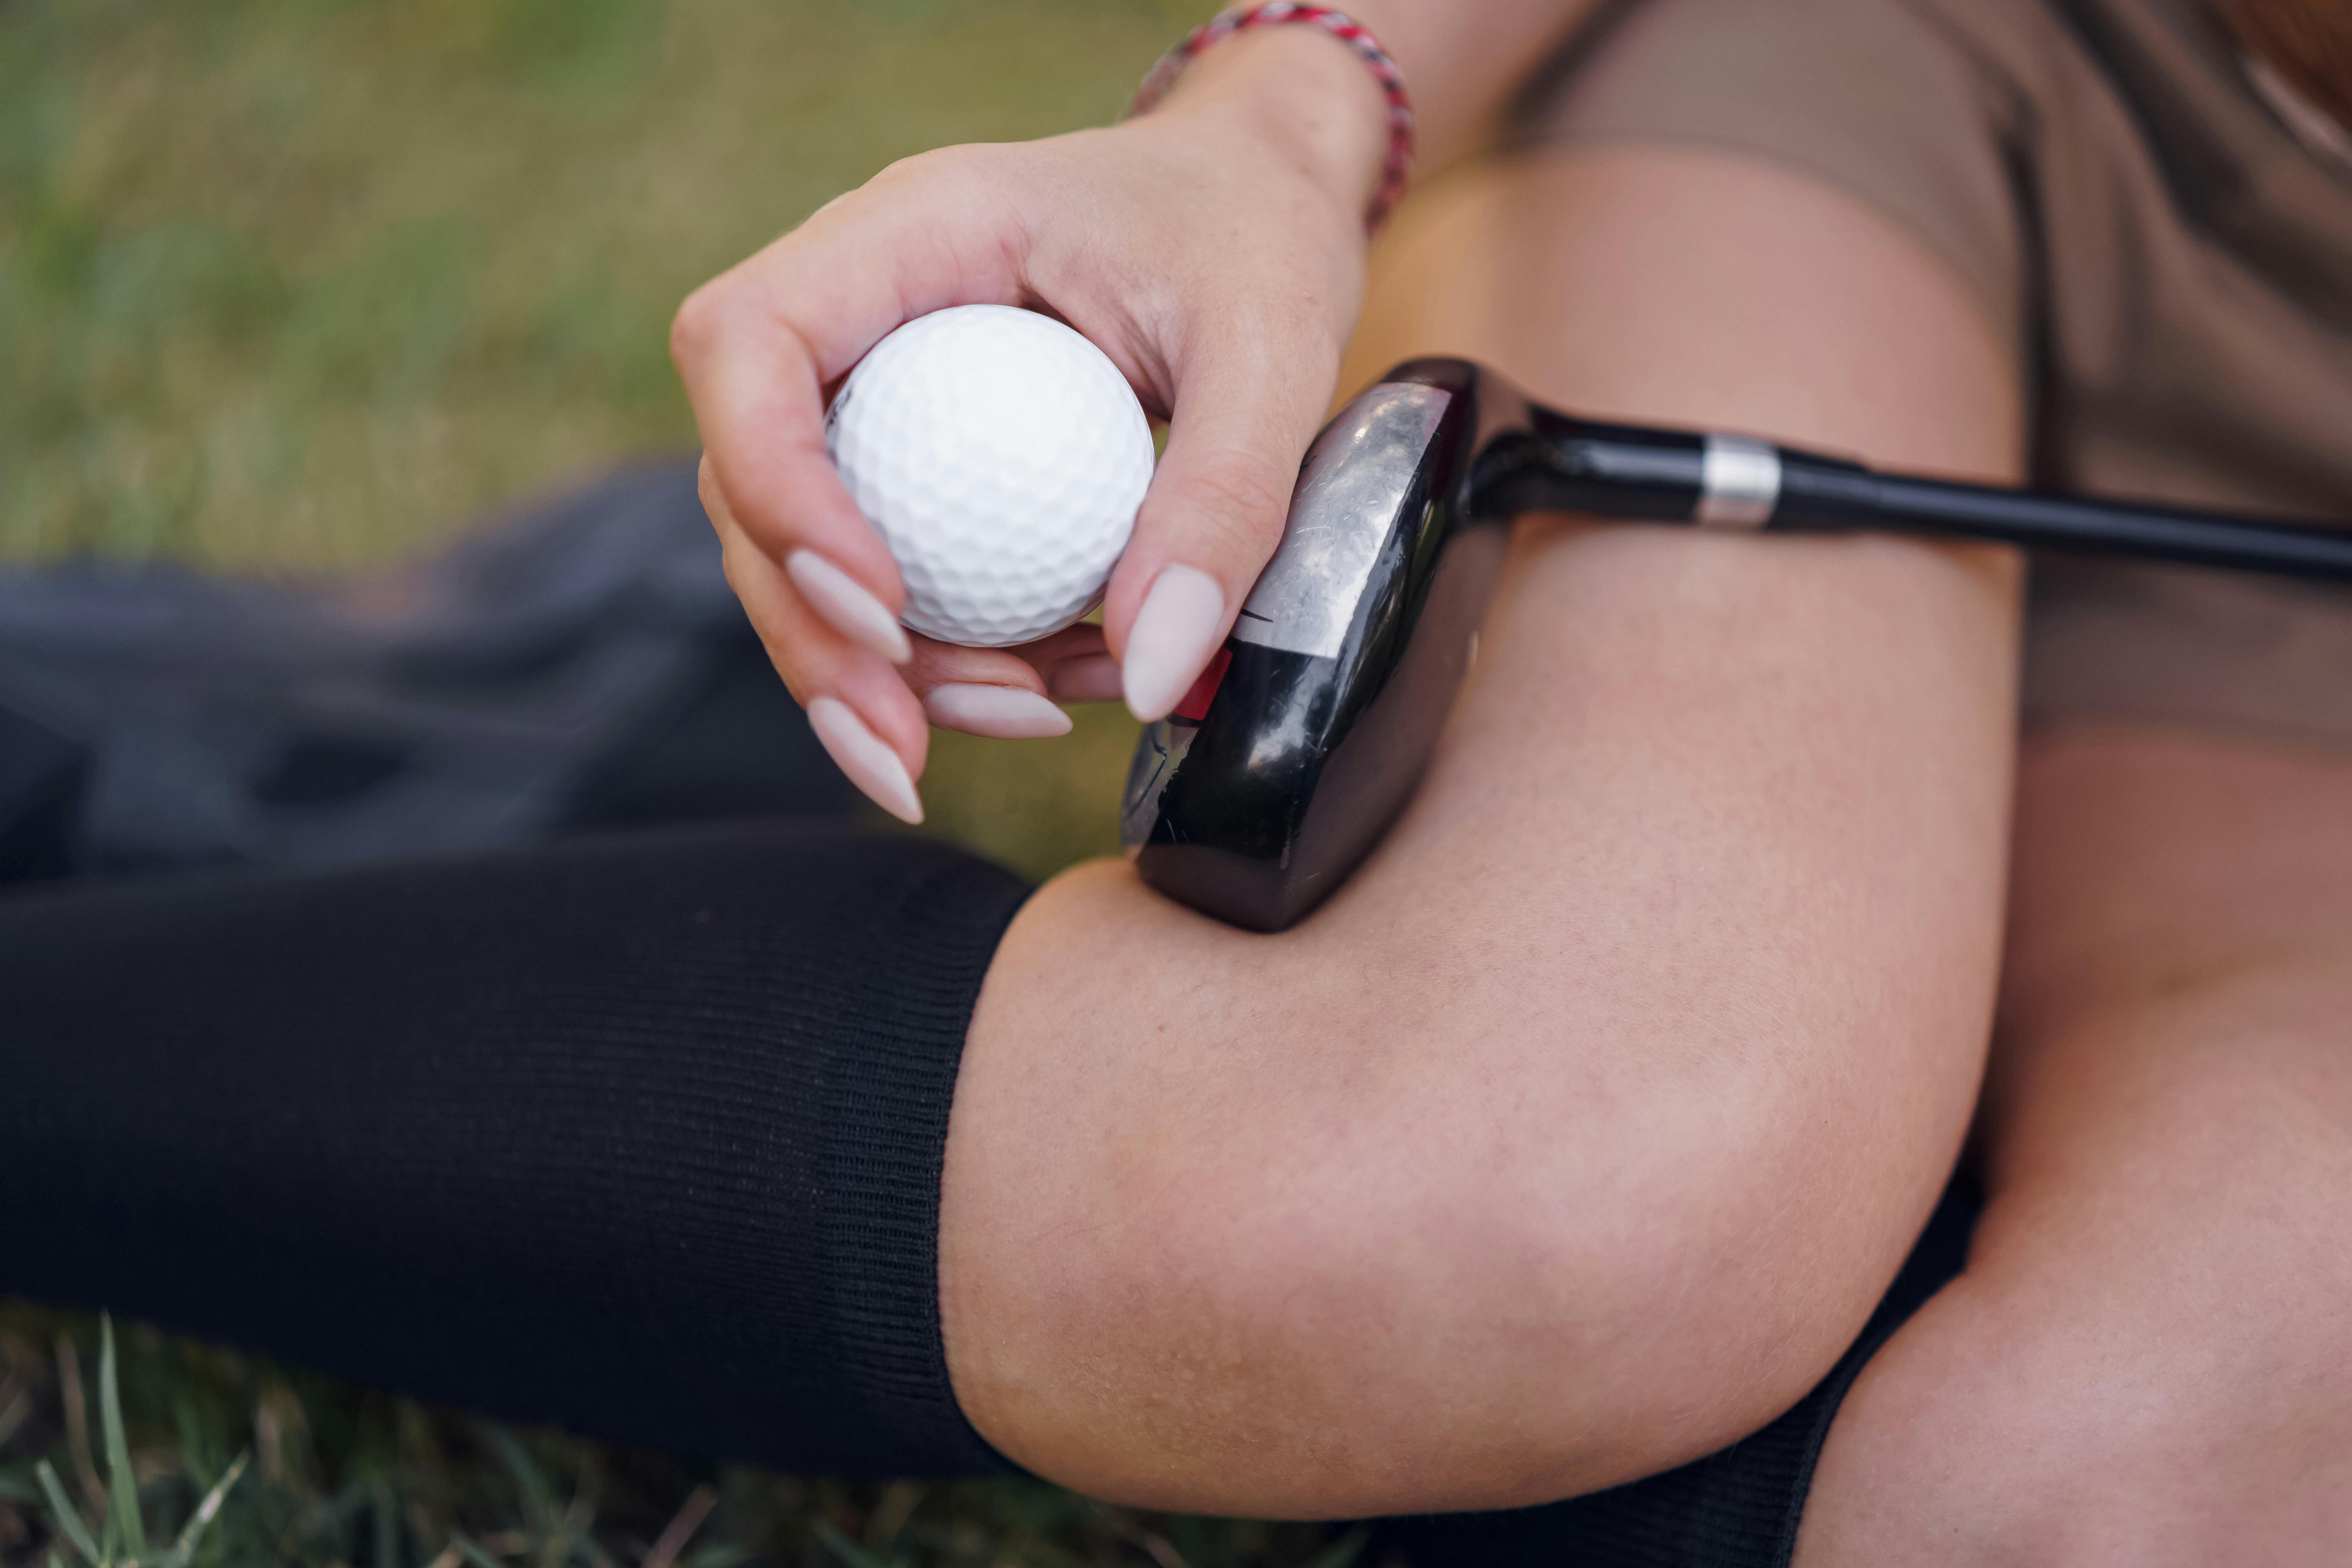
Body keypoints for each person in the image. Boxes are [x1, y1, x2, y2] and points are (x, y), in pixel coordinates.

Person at [4, 4, 2347, 1565]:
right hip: (1898, 64)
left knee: (2097, 1506)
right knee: (1514, 1183)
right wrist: (1288, 113)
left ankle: (598, 723)